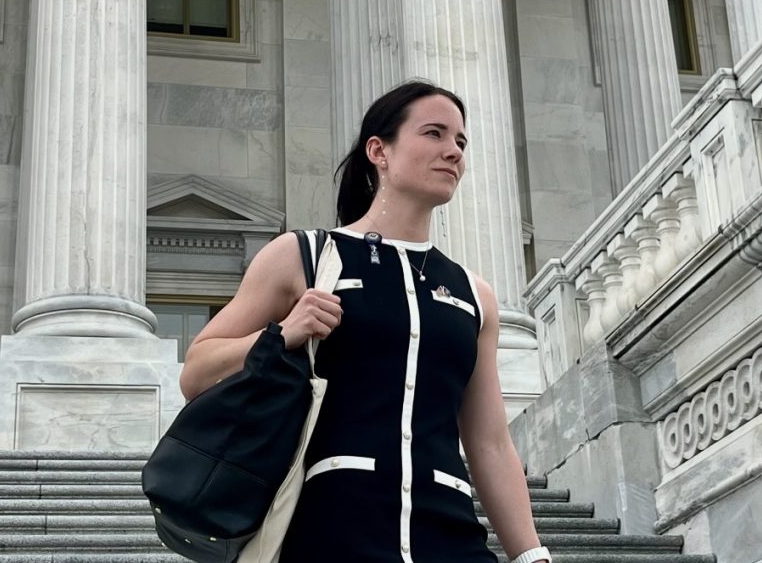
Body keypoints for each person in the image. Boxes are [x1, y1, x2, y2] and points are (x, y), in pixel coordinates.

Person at [180, 81, 551, 563]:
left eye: (460, 141)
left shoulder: (474, 294)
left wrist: (531, 555)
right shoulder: (305, 256)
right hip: (329, 533)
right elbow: (196, 371)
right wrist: (283, 334)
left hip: (451, 539)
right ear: (379, 150)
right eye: (434, 134)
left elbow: (490, 443)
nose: (452, 152)